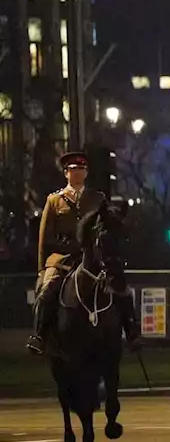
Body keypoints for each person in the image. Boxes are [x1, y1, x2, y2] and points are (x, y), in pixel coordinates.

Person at [28, 152, 137, 354]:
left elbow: (107, 228)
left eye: (80, 170)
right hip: (62, 259)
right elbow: (44, 239)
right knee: (46, 292)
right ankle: (39, 336)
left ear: (86, 173)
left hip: (92, 256)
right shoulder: (54, 200)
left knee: (122, 289)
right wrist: (42, 269)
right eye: (72, 170)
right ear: (66, 173)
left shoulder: (97, 199)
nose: (76, 173)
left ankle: (132, 333)